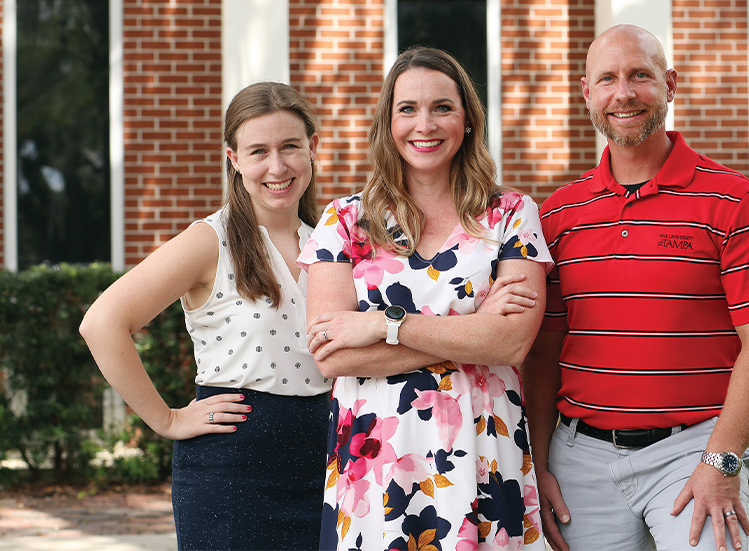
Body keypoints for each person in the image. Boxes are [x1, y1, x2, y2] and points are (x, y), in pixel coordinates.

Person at [523, 24, 749, 551]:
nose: (623, 93)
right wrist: (538, 462)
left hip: (693, 451)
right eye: (607, 79)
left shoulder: (737, 204)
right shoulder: (557, 215)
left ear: (669, 84)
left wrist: (723, 458)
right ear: (587, 93)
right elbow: (541, 353)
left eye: (640, 76)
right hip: (579, 457)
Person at [296, 46, 551, 550]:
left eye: (442, 107)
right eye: (407, 109)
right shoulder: (344, 222)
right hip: (376, 462)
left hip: (484, 452)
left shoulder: (511, 215)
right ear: (387, 124)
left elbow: (513, 343)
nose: (425, 124)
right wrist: (475, 329)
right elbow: (333, 355)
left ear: (468, 120)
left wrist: (384, 325)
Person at [80, 82, 332, 550]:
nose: (277, 166)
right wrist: (168, 420)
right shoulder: (209, 241)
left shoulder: (332, 244)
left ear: (312, 149)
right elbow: (101, 322)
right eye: (258, 151)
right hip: (232, 470)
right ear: (234, 159)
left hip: (328, 461)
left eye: (290, 147)